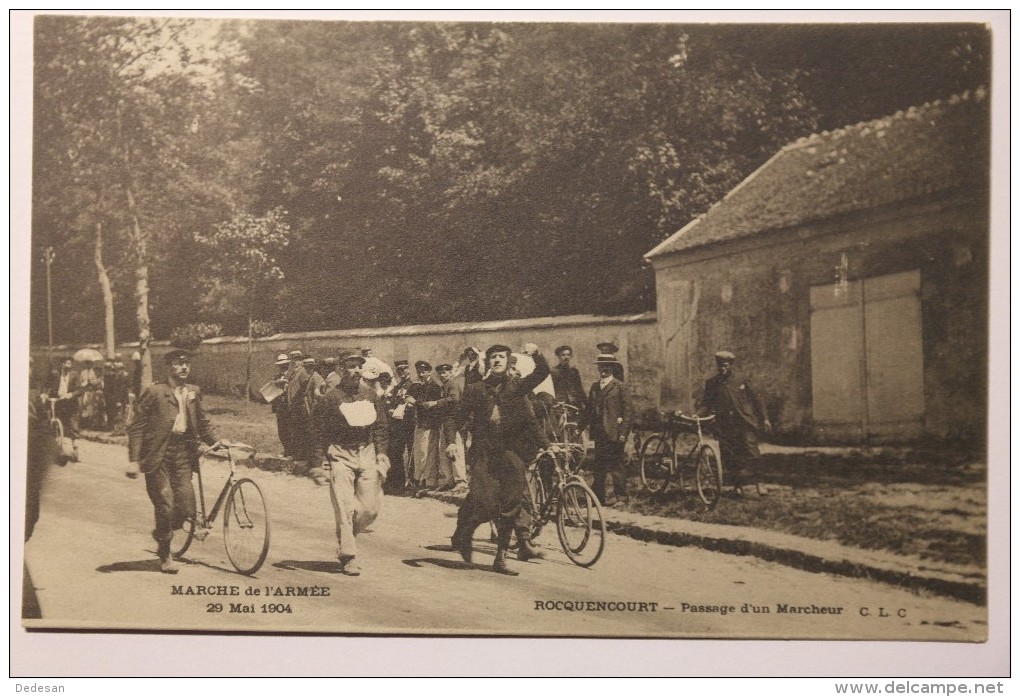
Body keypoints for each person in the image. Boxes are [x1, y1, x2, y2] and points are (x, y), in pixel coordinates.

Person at [448, 343, 550, 576]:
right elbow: (457, 416)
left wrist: (536, 354)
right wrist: (452, 441)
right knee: (485, 502)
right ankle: (466, 533)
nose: (497, 361)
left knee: (511, 505)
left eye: (501, 357)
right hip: (484, 453)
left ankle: (501, 557)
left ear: (507, 362)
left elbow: (542, 373)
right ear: (488, 362)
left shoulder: (516, 387)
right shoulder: (475, 389)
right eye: (493, 357)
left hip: (510, 454)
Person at [126, 347, 218, 574]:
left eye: (187, 363)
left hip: (183, 456)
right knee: (165, 504)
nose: (184, 367)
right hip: (158, 456)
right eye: (179, 363)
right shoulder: (155, 392)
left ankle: (162, 531)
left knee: (186, 507)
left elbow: (203, 421)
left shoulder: (194, 392)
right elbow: (137, 427)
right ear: (169, 367)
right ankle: (165, 554)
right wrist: (134, 460)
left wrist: (217, 441)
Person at [312, 350, 390, 576]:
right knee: (344, 505)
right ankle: (348, 556)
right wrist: (318, 462)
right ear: (341, 369)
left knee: (370, 509)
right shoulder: (331, 398)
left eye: (358, 367)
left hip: (366, 451)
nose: (355, 371)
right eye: (350, 366)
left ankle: (349, 535)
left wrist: (382, 453)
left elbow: (381, 426)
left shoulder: (370, 395)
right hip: (340, 453)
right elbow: (317, 431)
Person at [700, 350, 772, 497]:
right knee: (730, 456)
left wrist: (765, 418)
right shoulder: (712, 383)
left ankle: (760, 483)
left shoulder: (742, 380)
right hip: (724, 425)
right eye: (720, 366)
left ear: (731, 365)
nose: (722, 369)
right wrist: (698, 414)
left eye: (725, 365)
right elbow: (706, 404)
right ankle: (737, 486)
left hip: (745, 422)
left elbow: (757, 400)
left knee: (752, 452)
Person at [584, 345, 630, 507]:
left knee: (617, 465)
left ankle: (622, 498)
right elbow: (589, 410)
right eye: (601, 366)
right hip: (599, 433)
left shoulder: (620, 386)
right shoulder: (595, 387)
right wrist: (579, 427)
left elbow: (628, 412)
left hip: (615, 432)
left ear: (612, 368)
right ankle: (598, 498)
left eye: (607, 367)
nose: (603, 369)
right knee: (599, 467)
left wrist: (623, 433)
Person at [430, 363, 468, 494]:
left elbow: (454, 398)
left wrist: (436, 403)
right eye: (440, 372)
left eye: (445, 372)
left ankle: (461, 481)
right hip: (445, 422)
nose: (442, 375)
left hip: (455, 422)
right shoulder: (444, 386)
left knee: (455, 450)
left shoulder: (453, 384)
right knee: (444, 452)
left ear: (451, 372)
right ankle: (449, 480)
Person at [406, 360, 442, 494]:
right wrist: (408, 399)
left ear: (428, 371)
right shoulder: (417, 385)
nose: (421, 373)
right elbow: (409, 394)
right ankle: (420, 479)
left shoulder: (434, 386)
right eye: (419, 371)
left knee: (428, 453)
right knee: (419, 452)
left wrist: (415, 402)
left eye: (423, 371)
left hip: (430, 424)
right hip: (419, 423)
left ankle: (429, 481)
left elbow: (429, 405)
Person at [385, 360, 415, 493]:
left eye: (404, 369)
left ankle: (413, 483)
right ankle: (398, 484)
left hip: (411, 424)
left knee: (412, 455)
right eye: (399, 371)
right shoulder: (397, 388)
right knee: (396, 453)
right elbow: (392, 403)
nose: (402, 372)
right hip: (399, 426)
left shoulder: (414, 385)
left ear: (408, 370)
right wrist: (392, 409)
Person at [284, 350, 313, 466]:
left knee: (301, 431)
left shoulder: (303, 372)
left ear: (301, 360)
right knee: (295, 431)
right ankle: (298, 454)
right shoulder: (293, 372)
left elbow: (305, 389)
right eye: (293, 359)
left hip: (301, 406)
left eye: (297, 359)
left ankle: (303, 456)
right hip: (294, 406)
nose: (295, 361)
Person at [269, 353, 291, 456]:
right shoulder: (277, 376)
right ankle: (286, 450)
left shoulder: (291, 375)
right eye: (280, 365)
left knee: (289, 428)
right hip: (279, 406)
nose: (282, 367)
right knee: (281, 430)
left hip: (288, 405)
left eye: (284, 365)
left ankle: (291, 451)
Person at [550, 345, 586, 410]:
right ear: (558, 356)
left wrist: (586, 404)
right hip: (560, 405)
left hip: (575, 405)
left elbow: (580, 389)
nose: (566, 357)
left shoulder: (574, 371)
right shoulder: (553, 372)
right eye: (563, 355)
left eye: (568, 355)